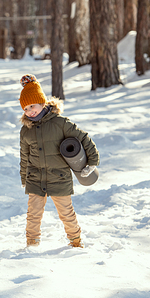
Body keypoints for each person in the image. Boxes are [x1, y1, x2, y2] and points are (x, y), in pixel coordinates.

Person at [19, 74, 99, 248]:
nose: (29, 111)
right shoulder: (26, 130)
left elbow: (83, 137)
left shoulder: (60, 123)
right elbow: (24, 155)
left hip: (59, 176)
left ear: (42, 102)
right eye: (25, 109)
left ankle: (75, 241)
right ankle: (31, 243)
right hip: (36, 178)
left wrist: (92, 161)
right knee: (33, 213)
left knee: (66, 212)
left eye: (32, 106)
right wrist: (24, 178)